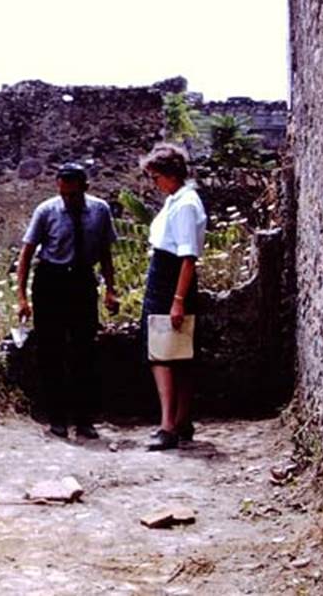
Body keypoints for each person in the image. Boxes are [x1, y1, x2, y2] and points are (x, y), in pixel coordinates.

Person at [15, 162, 120, 440]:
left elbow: (106, 253)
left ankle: (84, 419)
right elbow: (26, 254)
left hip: (82, 282)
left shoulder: (100, 211)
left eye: (74, 195)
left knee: (84, 350)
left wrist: (111, 289)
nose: (69, 200)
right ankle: (57, 418)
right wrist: (22, 298)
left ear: (85, 188)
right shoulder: (46, 211)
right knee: (51, 350)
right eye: (64, 194)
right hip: (51, 281)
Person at [139, 144, 207, 451]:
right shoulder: (175, 200)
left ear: (169, 175)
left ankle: (169, 424)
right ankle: (180, 420)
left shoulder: (185, 204)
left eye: (156, 177)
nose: (155, 184)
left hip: (170, 281)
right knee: (171, 351)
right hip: (164, 278)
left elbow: (187, 256)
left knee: (165, 354)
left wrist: (177, 298)